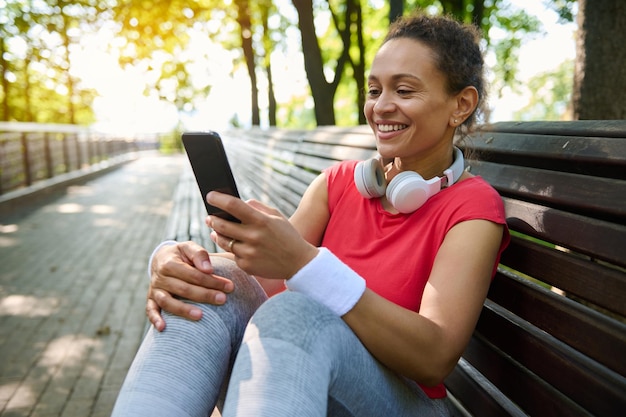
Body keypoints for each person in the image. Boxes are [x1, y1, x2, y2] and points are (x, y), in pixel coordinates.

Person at [112, 12, 509, 417]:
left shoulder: (473, 208)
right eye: (374, 91)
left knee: (297, 313)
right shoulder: (338, 185)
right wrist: (173, 260)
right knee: (210, 285)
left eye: (404, 91)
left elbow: (433, 356)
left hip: (405, 401)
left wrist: (305, 263)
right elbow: (253, 279)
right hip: (300, 383)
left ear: (461, 105)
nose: (381, 106)